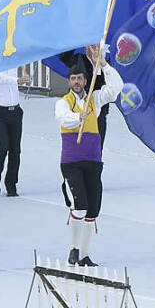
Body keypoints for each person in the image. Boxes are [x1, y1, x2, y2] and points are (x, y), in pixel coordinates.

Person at [55, 46, 122, 266]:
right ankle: (73, 249)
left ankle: (84, 255)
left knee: (93, 208)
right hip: (72, 162)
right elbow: (63, 118)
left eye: (80, 78)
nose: (77, 81)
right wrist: (78, 117)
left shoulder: (95, 98)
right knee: (80, 205)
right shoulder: (64, 102)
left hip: (93, 160)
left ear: (86, 80)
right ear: (69, 81)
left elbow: (116, 89)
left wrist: (103, 64)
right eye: (73, 78)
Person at [0, 65, 29, 197]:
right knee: (2, 146)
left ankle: (11, 184)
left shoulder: (13, 61)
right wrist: (17, 80)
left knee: (15, 150)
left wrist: (25, 74)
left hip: (15, 111)